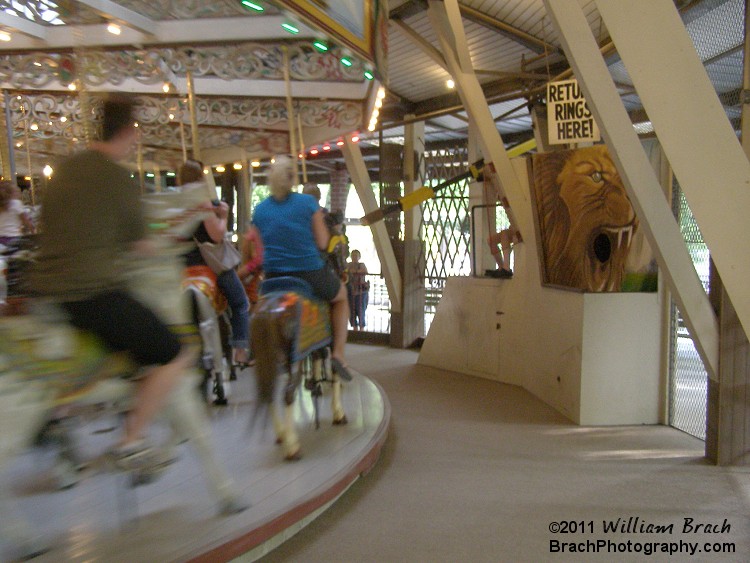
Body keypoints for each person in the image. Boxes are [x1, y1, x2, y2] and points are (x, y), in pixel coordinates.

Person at [28, 94, 194, 470]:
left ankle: (60, 413)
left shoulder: (63, 170)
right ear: (129, 131)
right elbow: (139, 244)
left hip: (43, 293)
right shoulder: (119, 179)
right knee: (173, 352)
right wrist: (166, 243)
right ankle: (131, 440)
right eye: (136, 132)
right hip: (90, 295)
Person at [252, 155, 351, 379]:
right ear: (292, 179)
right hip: (308, 273)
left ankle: (252, 350)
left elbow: (259, 250)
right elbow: (323, 242)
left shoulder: (260, 210)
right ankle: (338, 353)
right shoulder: (307, 203)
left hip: (271, 278)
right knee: (342, 297)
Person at [177, 159, 251, 365]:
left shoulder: (175, 204)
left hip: (181, 269)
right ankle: (240, 349)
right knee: (240, 303)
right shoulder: (202, 202)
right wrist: (224, 215)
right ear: (200, 178)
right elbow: (217, 235)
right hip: (206, 266)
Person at [0, 180, 35, 250]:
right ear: (11, 193)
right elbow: (26, 222)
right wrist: (33, 231)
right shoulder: (16, 203)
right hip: (14, 238)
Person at [346, 249, 369, 331]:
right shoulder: (348, 265)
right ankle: (355, 328)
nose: (354, 257)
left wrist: (354, 271)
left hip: (361, 291)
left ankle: (361, 328)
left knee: (361, 310)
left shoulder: (361, 265)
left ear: (359, 257)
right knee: (352, 310)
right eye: (353, 255)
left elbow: (365, 271)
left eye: (356, 255)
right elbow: (346, 272)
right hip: (351, 290)